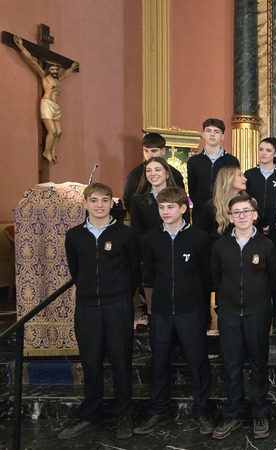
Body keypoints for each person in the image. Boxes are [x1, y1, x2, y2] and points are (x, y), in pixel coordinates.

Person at [60, 183, 139, 440]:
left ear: (111, 203)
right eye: (94, 200)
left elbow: (134, 272)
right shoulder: (74, 236)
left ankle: (124, 414)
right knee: (90, 360)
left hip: (118, 305)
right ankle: (90, 413)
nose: (99, 205)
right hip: (87, 307)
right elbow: (76, 271)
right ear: (85, 204)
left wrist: (121, 296)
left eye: (105, 200)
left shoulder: (125, 234)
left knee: (121, 360)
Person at [135, 187, 213, 436]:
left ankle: (202, 411)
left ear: (182, 208)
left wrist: (204, 311)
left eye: (170, 207)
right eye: (161, 207)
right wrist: (150, 309)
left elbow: (206, 277)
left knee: (197, 362)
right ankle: (159, 411)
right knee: (159, 362)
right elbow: (148, 278)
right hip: (161, 312)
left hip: (191, 310)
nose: (165, 212)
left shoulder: (199, 238)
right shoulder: (150, 239)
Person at [210, 194, 276, 440]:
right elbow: (216, 278)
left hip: (257, 313)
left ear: (255, 215)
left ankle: (260, 413)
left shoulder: (266, 246)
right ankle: (233, 414)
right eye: (236, 212)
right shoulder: (220, 246)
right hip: (229, 314)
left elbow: (272, 280)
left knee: (259, 363)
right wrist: (222, 306)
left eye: (246, 211)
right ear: (230, 217)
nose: (241, 216)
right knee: (232, 365)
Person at [13, 35, 79, 164]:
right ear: (48, 69)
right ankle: (46, 152)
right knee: (52, 131)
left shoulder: (57, 80)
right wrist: (21, 46)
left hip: (56, 106)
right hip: (47, 104)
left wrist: (71, 68)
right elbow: (33, 62)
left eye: (56, 69)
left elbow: (66, 74)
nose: (54, 71)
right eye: (52, 69)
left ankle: (52, 152)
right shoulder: (45, 77)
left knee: (59, 132)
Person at [244, 136, 276, 331]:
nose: (263, 153)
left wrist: (273, 224)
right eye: (261, 149)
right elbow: (246, 200)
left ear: (275, 153)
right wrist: (258, 221)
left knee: (273, 269)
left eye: (268, 150)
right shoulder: (250, 174)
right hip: (253, 227)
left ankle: (275, 312)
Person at [187, 118, 240, 222]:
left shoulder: (232, 161)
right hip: (200, 212)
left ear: (222, 136)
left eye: (216, 131)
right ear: (203, 134)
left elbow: (233, 187)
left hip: (224, 212)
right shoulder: (194, 161)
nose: (212, 134)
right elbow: (192, 188)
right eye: (208, 131)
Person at [123, 132, 185, 209]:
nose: (149, 155)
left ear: (163, 151)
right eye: (146, 151)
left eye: (154, 151)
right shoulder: (135, 175)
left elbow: (181, 199)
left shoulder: (175, 174)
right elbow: (128, 200)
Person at [129, 157, 186, 239]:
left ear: (167, 174)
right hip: (148, 245)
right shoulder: (138, 199)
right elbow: (136, 231)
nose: (153, 174)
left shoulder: (180, 196)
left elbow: (185, 226)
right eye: (148, 170)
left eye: (157, 170)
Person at [195, 166, 248, 246]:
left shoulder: (249, 203)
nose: (245, 179)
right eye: (240, 175)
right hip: (218, 250)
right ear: (228, 179)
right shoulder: (212, 206)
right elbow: (204, 234)